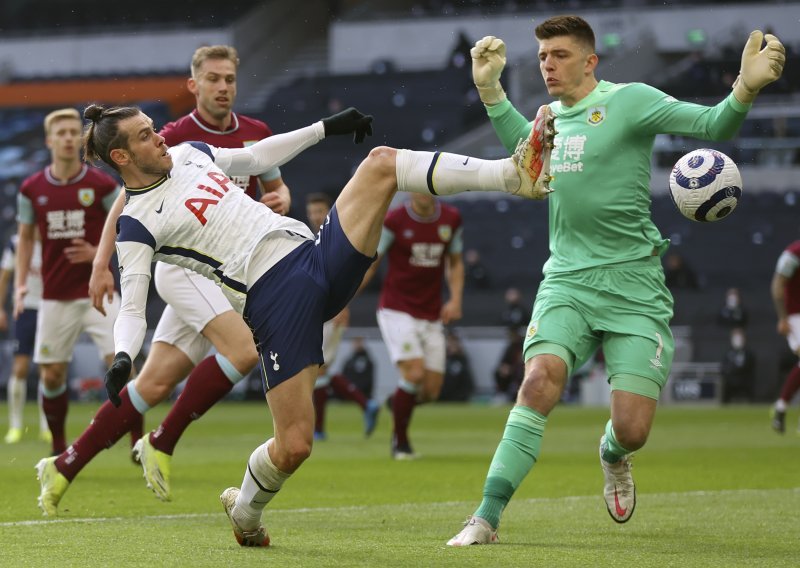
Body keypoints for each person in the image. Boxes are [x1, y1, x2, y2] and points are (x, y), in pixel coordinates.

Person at [31, 94, 554, 542]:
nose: (160, 138)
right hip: (274, 300)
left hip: (311, 254)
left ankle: (514, 175)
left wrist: (326, 128)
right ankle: (246, 512)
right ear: (121, 155)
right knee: (295, 444)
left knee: (379, 163)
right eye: (146, 137)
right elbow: (131, 302)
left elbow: (257, 155)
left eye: (154, 129)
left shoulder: (191, 153)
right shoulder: (136, 224)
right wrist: (125, 354)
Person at [447, 18, 784, 546]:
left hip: (635, 288)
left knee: (632, 429)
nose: (548, 65)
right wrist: (490, 90)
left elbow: (714, 126)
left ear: (590, 61)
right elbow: (526, 154)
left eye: (558, 55)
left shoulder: (630, 101)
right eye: (541, 57)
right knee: (538, 382)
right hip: (567, 280)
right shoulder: (546, 117)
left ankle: (613, 453)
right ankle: (484, 518)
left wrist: (745, 87)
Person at [43, 45, 292, 509]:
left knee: (154, 384)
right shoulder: (168, 136)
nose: (223, 88)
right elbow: (127, 201)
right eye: (213, 79)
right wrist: (102, 264)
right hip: (184, 270)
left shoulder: (257, 132)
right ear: (195, 85)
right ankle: (163, 439)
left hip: (225, 271)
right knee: (243, 348)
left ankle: (64, 466)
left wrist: (280, 202)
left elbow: (275, 185)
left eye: (230, 80)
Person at [15, 107, 141, 457]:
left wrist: (98, 253)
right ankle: (58, 446)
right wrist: (21, 285)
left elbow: (127, 223)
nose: (69, 138)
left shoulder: (100, 185)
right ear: (50, 140)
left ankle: (137, 442)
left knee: (122, 363)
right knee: (52, 376)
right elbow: (25, 239)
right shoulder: (31, 189)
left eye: (74, 131)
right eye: (63, 133)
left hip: (98, 291)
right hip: (54, 296)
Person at [361, 192, 465, 460]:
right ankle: (401, 444)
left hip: (431, 313)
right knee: (414, 374)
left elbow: (455, 262)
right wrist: (342, 299)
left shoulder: (451, 219)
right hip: (396, 309)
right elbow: (373, 263)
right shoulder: (395, 220)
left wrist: (455, 299)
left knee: (430, 392)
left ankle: (398, 403)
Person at [305, 192, 379, 440]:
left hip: (332, 312)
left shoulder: (340, 237)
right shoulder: (309, 237)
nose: (316, 216)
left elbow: (358, 270)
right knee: (319, 369)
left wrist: (344, 304)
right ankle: (364, 404)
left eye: (320, 211)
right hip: (314, 310)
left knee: (319, 369)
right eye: (312, 212)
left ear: (331, 211)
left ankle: (320, 429)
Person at [0, 232, 49, 443]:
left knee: (47, 369)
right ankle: (15, 426)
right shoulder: (16, 243)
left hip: (49, 309)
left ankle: (47, 426)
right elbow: (5, 276)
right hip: (24, 310)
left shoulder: (53, 240)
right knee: (19, 368)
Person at [770, 239, 800, 433]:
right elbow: (778, 284)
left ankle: (780, 408)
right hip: (796, 315)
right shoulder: (794, 252)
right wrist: (782, 318)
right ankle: (780, 408)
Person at [720, 327, 755, 403]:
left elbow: (750, 367)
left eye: (739, 337)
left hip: (744, 379)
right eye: (735, 337)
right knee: (725, 385)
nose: (737, 340)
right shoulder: (728, 353)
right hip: (731, 380)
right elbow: (724, 367)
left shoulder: (748, 354)